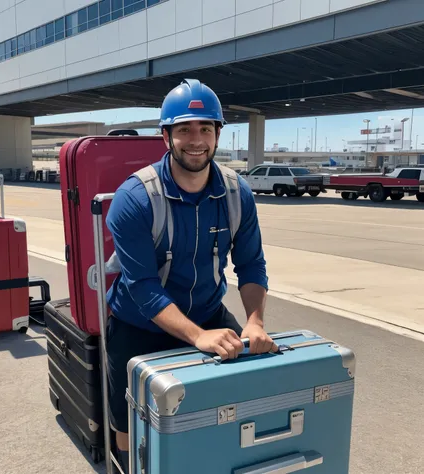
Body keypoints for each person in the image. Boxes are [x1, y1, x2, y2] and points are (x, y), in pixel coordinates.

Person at [105, 78, 278, 472]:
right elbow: (145, 290)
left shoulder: (237, 193)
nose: (195, 139)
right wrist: (198, 337)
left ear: (218, 134)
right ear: (166, 136)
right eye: (184, 129)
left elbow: (251, 265)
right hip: (140, 322)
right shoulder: (134, 199)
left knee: (251, 383)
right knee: (130, 424)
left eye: (205, 129)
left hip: (206, 312)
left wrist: (254, 321)